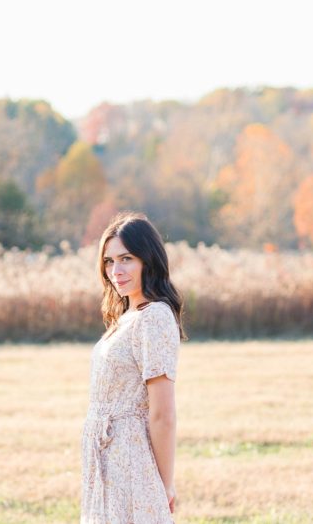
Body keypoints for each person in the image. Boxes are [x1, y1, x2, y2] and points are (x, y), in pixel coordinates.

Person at [81, 212, 186, 524]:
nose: (116, 271)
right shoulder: (127, 317)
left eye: (126, 259)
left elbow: (163, 413)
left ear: (147, 259)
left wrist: (164, 484)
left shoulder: (154, 317)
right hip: (105, 456)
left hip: (130, 456)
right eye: (109, 262)